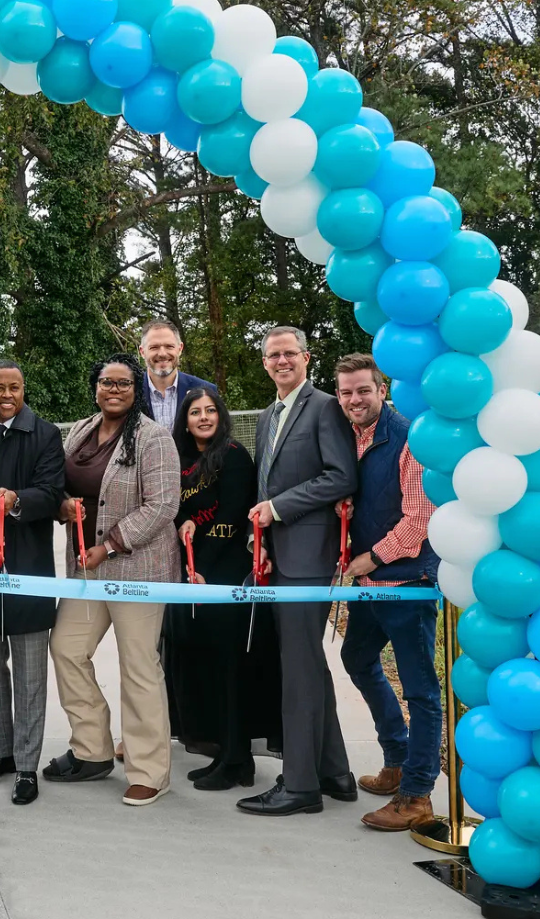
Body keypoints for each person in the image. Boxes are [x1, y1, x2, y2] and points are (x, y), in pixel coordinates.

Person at [46, 354, 180, 806]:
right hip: (86, 571)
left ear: (135, 389)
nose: (115, 390)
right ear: (96, 386)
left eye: (124, 383)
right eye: (107, 382)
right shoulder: (81, 430)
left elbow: (163, 505)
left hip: (136, 569)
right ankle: (92, 750)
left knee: (138, 666)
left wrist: (111, 543)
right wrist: (64, 505)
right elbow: (64, 483)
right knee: (66, 648)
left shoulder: (153, 438)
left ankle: (149, 770)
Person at [238, 326, 359, 818]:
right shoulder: (268, 415)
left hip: (309, 558)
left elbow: (340, 476)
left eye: (289, 353)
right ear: (265, 363)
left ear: (306, 358)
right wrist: (258, 539)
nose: (281, 361)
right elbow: (265, 483)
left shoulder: (325, 406)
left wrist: (279, 509)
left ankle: (301, 785)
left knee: (298, 670)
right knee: (307, 664)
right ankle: (335, 773)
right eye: (273, 355)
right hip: (278, 555)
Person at [332, 353, 442, 831]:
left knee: (420, 690)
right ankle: (396, 759)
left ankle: (418, 794)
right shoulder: (350, 439)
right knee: (357, 659)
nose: (354, 399)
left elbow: (419, 519)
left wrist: (371, 558)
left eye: (363, 390)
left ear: (382, 390)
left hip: (407, 583)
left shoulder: (409, 440)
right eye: (345, 392)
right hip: (369, 588)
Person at [0, 360, 66, 806]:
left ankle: (25, 765)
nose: (6, 394)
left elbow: (52, 491)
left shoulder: (45, 434)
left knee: (30, 674)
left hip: (30, 568)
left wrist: (18, 500)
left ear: (24, 389)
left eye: (14, 387)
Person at [164, 386, 282, 791]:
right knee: (204, 668)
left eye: (210, 410)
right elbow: (175, 508)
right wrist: (184, 532)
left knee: (231, 669)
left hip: (225, 579)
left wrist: (203, 571)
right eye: (195, 412)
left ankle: (239, 760)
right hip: (190, 576)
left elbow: (232, 518)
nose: (203, 417)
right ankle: (221, 752)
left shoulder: (233, 456)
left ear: (221, 415)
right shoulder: (178, 460)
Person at [138, 319, 217, 427]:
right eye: (154, 347)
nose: (162, 353)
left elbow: (217, 438)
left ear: (180, 349)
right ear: (142, 352)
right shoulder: (129, 391)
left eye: (169, 346)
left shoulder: (205, 390)